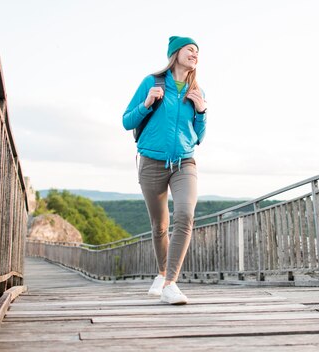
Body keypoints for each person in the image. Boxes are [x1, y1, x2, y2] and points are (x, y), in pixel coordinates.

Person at [122, 36, 207, 305]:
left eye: (197, 51)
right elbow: (127, 121)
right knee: (160, 225)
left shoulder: (197, 91)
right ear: (175, 53)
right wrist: (146, 103)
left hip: (184, 163)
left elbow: (199, 136)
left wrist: (202, 111)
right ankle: (161, 273)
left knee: (185, 214)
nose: (195, 54)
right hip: (151, 163)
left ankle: (170, 283)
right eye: (189, 49)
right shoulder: (153, 82)